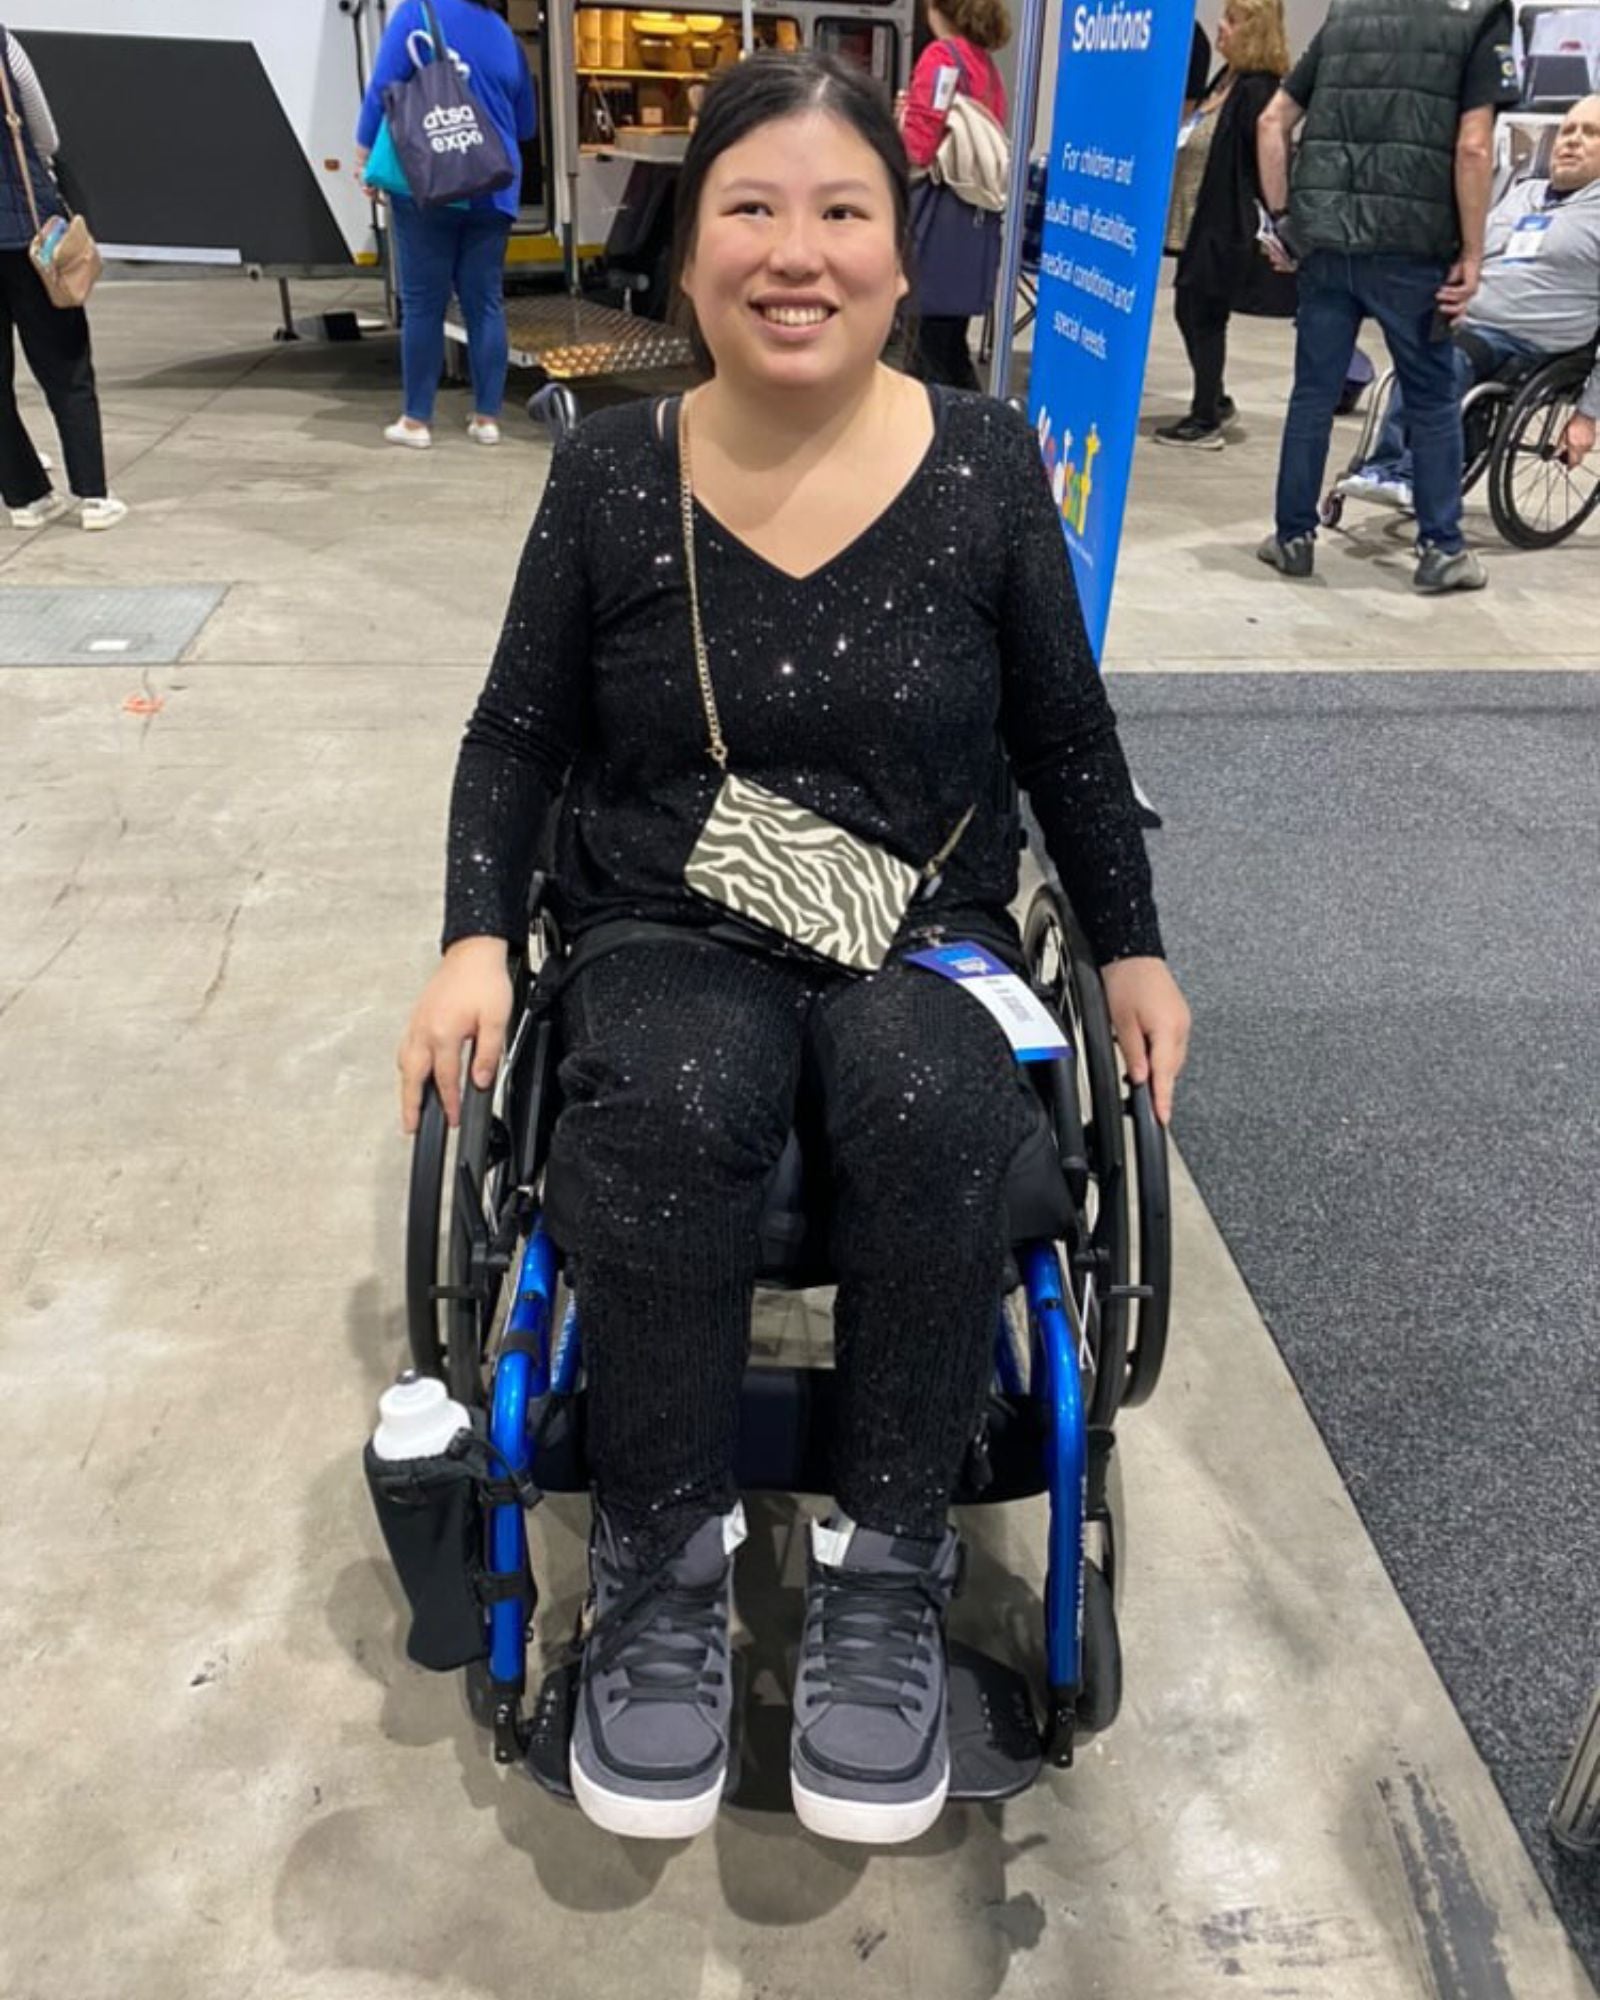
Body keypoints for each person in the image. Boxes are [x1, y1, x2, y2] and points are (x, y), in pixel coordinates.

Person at [397, 52, 1189, 1845]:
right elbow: (517, 735)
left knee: (925, 1093)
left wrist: (1130, 949)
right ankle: (662, 1574)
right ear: (688, 256)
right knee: (678, 1085)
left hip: (924, 915)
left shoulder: (985, 467)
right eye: (751, 209)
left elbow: (1065, 736)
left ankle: (887, 1573)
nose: (795, 252)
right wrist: (469, 938)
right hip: (668, 906)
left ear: (906, 257)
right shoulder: (611, 472)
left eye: (842, 211)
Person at [1254, 0, 1520, 594]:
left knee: (1313, 396)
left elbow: (1273, 121)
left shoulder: (1347, 12)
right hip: (1414, 251)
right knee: (1429, 399)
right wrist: (1473, 254)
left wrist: (1283, 223)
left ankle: (1292, 537)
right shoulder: (1481, 15)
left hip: (1326, 246)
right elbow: (1473, 147)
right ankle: (1442, 548)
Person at [1337, 94, 1600, 509]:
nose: (1571, 141)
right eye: (1567, 130)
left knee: (1443, 359)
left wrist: (1588, 416)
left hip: (1532, 342)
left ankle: (1404, 472)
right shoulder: (1524, 194)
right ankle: (1384, 467)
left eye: (1590, 133)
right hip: (1470, 319)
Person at [355, 0, 536, 449]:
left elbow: (383, 88)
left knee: (423, 305)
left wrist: (363, 157)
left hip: (431, 181)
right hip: (493, 183)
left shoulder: (416, 13)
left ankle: (417, 422)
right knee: (485, 303)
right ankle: (487, 419)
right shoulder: (505, 37)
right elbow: (527, 124)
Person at [1156, 0, 1296, 450]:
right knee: (1190, 308)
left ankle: (1205, 417)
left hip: (1225, 219)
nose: (1221, 27)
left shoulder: (1259, 89)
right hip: (1201, 215)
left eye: (1232, 20)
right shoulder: (1226, 77)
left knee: (1203, 312)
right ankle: (1213, 399)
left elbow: (1262, 163)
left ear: (1255, 30)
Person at [0, 31, 125, 532]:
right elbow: (44, 135)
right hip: (29, 242)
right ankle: (93, 496)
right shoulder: (3, 43)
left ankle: (26, 498)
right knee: (66, 368)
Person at [899, 0, 1011, 390]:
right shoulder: (986, 68)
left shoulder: (940, 57)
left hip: (935, 220)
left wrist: (899, 122)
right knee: (949, 345)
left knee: (923, 351)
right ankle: (977, 433)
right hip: (971, 222)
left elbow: (917, 148)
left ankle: (943, 440)